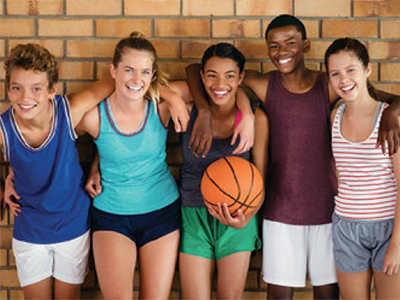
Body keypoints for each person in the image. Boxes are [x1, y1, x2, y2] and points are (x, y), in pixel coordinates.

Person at [186, 15, 400, 300]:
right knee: (279, 294)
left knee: (327, 294)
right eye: (273, 46)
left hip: (328, 211)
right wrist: (226, 111)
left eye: (290, 43)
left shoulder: (330, 84)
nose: (281, 52)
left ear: (306, 45)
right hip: (280, 209)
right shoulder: (265, 85)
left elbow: (383, 97)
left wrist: (393, 112)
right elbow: (199, 71)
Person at [0, 43, 114, 300]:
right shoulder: (4, 128)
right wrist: (6, 180)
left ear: (52, 90)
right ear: (8, 89)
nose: (25, 97)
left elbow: (115, 81)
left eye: (36, 89)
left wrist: (96, 163)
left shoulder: (69, 111)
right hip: (30, 229)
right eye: (16, 88)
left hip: (72, 225)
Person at [81, 32, 184, 300]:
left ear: (152, 76)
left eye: (145, 72)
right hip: (112, 214)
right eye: (128, 70)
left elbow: (207, 84)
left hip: (162, 212)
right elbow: (53, 139)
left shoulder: (160, 109)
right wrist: (14, 173)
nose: (136, 79)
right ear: (112, 70)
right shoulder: (94, 116)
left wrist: (173, 98)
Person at [166, 43, 268, 299]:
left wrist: (247, 217)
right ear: (202, 76)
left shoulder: (255, 119)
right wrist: (201, 110)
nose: (220, 84)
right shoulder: (190, 108)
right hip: (193, 213)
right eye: (211, 75)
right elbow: (153, 86)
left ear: (241, 78)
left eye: (230, 76)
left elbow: (261, 181)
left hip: (239, 217)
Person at [326, 37, 400, 300]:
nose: (343, 79)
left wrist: (397, 244)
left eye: (351, 70)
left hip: (388, 228)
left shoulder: (390, 118)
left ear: (367, 70)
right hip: (346, 227)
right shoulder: (336, 116)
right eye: (335, 73)